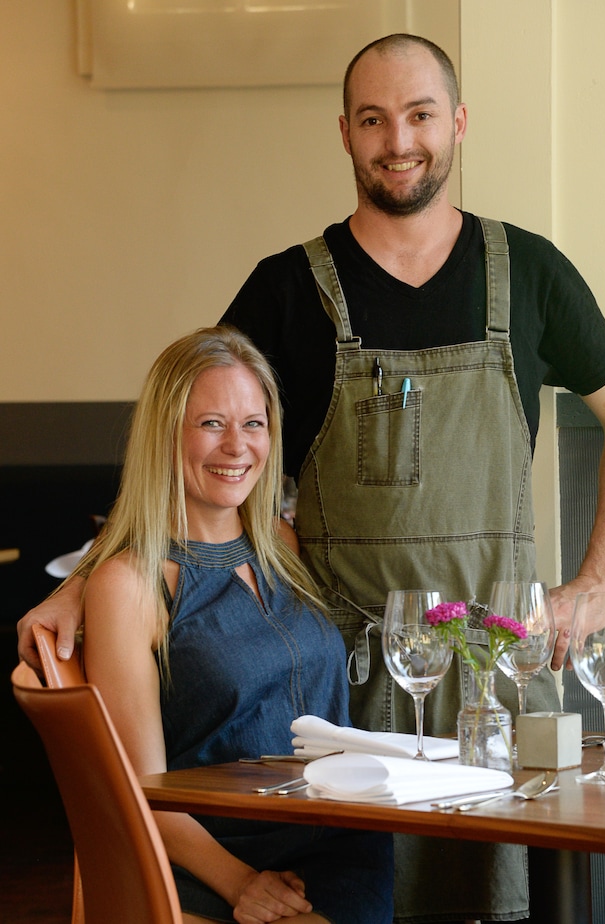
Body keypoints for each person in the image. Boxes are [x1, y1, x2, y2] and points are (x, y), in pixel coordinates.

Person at [18, 33, 605, 923]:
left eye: (421, 114)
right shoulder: (287, 290)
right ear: (347, 136)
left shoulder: (532, 274)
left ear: (459, 124)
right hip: (352, 697)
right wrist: (85, 582)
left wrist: (600, 577)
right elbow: (191, 440)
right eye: (374, 119)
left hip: (499, 683)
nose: (400, 140)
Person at [60, 326, 394, 924]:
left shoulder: (282, 546)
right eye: (211, 423)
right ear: (165, 435)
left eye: (254, 423)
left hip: (342, 846)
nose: (237, 446)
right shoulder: (129, 585)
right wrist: (242, 884)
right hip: (211, 863)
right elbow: (140, 788)